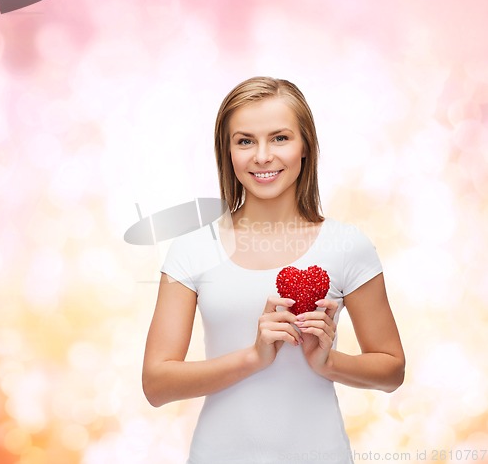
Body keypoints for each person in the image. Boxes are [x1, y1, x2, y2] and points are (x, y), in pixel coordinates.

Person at [142, 76, 405, 464]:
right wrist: (253, 357)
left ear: (305, 148)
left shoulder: (348, 246)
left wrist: (328, 361)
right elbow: (156, 384)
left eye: (280, 138)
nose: (262, 156)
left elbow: (391, 369)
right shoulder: (192, 249)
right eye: (245, 141)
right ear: (227, 152)